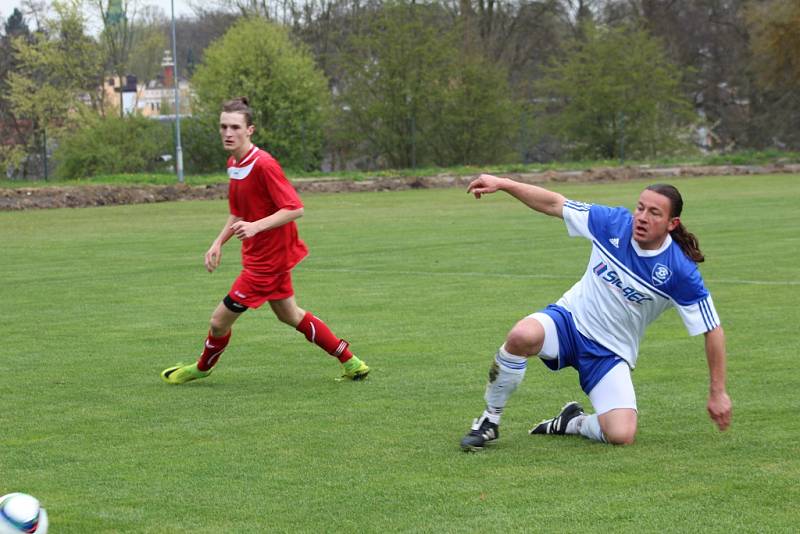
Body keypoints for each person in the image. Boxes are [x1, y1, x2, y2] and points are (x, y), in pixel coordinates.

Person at [459, 174, 731, 451]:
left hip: (610, 352)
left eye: (654, 213)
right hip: (569, 322)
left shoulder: (679, 272)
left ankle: (572, 422)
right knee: (521, 335)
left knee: (621, 434)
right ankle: (489, 421)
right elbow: (555, 203)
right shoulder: (611, 223)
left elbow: (713, 329)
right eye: (640, 208)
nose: (642, 217)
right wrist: (505, 184)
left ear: (672, 224)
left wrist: (717, 392)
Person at [161, 97, 369, 384]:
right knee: (290, 315)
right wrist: (218, 242)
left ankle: (202, 367)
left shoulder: (264, 164)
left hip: (267, 262)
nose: (227, 132)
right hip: (262, 256)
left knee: (218, 321)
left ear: (250, 130)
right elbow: (238, 213)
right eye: (223, 126)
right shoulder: (234, 164)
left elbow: (295, 208)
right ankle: (352, 362)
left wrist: (257, 227)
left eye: (235, 127)